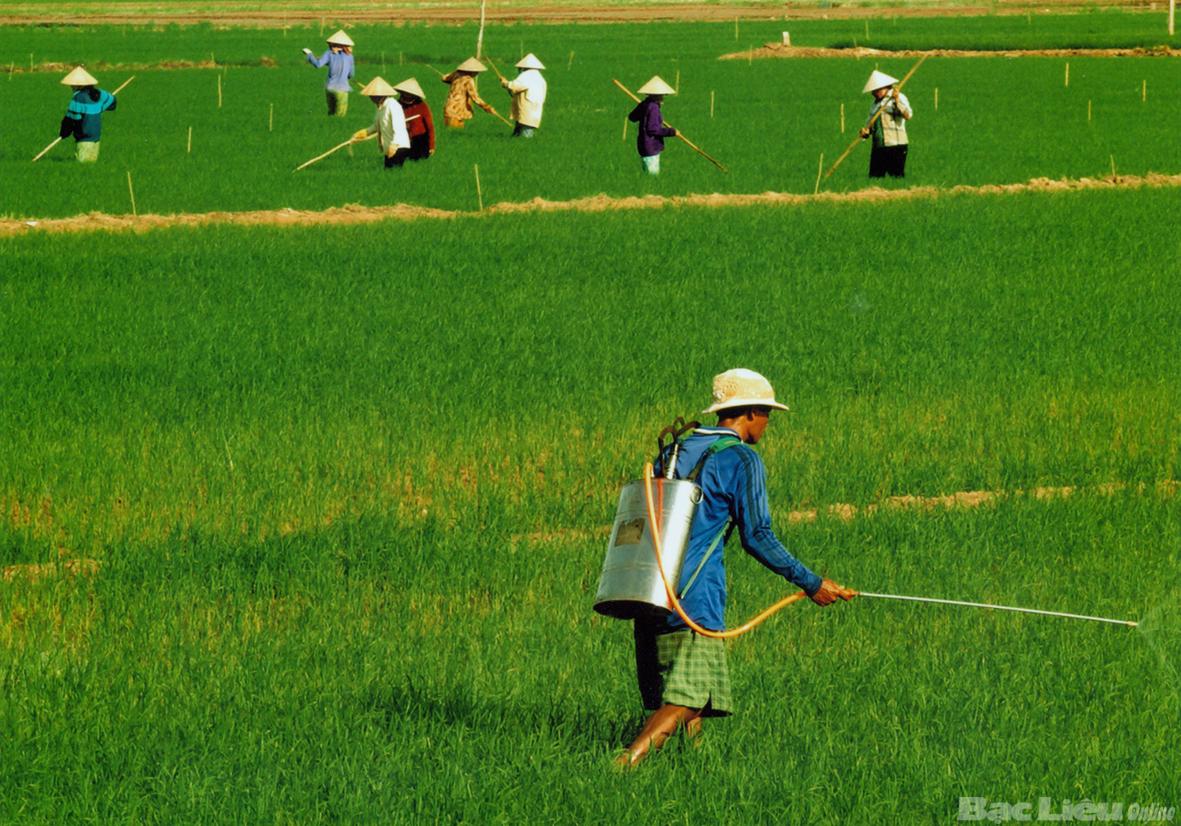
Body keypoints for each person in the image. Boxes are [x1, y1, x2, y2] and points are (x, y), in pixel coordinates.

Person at [617, 368, 856, 769]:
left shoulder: (674, 450)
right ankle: (624, 765)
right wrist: (812, 583)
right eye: (766, 414)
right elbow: (758, 535)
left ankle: (696, 773)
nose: (767, 424)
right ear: (750, 413)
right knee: (686, 699)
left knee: (684, 699)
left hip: (650, 589)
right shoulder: (742, 459)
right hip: (695, 597)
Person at [858, 69, 912, 178]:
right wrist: (866, 132)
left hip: (896, 145)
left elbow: (908, 115)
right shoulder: (875, 104)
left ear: (886, 87)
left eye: (876, 90)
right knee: (875, 177)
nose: (874, 94)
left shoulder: (898, 97)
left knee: (896, 177)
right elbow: (870, 124)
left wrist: (896, 101)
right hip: (879, 146)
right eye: (873, 91)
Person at [58, 66, 117, 164]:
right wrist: (99, 108)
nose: (71, 87)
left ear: (78, 85)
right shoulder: (99, 94)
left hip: (84, 140)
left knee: (82, 166)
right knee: (91, 166)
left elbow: (71, 119)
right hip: (95, 138)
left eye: (72, 85)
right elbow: (112, 101)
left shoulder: (78, 98)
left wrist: (64, 132)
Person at [353, 77, 411, 168]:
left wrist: (394, 145)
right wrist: (364, 133)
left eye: (372, 96)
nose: (370, 98)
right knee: (389, 175)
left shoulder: (393, 105)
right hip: (388, 147)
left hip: (399, 147)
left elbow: (399, 128)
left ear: (380, 95)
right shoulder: (380, 108)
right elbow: (377, 126)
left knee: (393, 175)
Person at [627, 76, 677, 175]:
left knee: (648, 174)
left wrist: (642, 106)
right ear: (656, 95)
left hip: (644, 145)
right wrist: (671, 132)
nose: (663, 97)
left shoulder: (646, 104)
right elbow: (653, 129)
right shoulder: (653, 107)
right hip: (650, 146)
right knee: (652, 176)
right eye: (662, 95)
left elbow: (632, 117)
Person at [302, 30, 355, 117]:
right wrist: (345, 76)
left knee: (331, 113)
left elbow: (318, 64)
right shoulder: (350, 57)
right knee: (340, 116)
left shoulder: (329, 53)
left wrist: (310, 54)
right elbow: (351, 75)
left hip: (329, 88)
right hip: (342, 89)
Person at [441, 57, 496, 129]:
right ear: (472, 71)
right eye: (476, 72)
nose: (477, 73)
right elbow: (475, 98)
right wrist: (487, 107)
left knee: (452, 132)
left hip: (449, 107)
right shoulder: (469, 80)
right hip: (457, 110)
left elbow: (445, 78)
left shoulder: (456, 73)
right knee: (455, 131)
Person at [501, 53, 547, 138]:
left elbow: (516, 86)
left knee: (526, 125)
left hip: (528, 105)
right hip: (536, 105)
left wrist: (506, 84)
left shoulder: (527, 75)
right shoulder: (540, 78)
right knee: (525, 124)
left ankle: (524, 144)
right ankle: (516, 139)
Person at [395, 78, 435, 161]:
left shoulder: (421, 106)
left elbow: (430, 126)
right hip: (403, 138)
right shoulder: (397, 105)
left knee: (419, 160)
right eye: (405, 93)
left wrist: (431, 145)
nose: (407, 96)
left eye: (409, 94)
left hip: (419, 139)